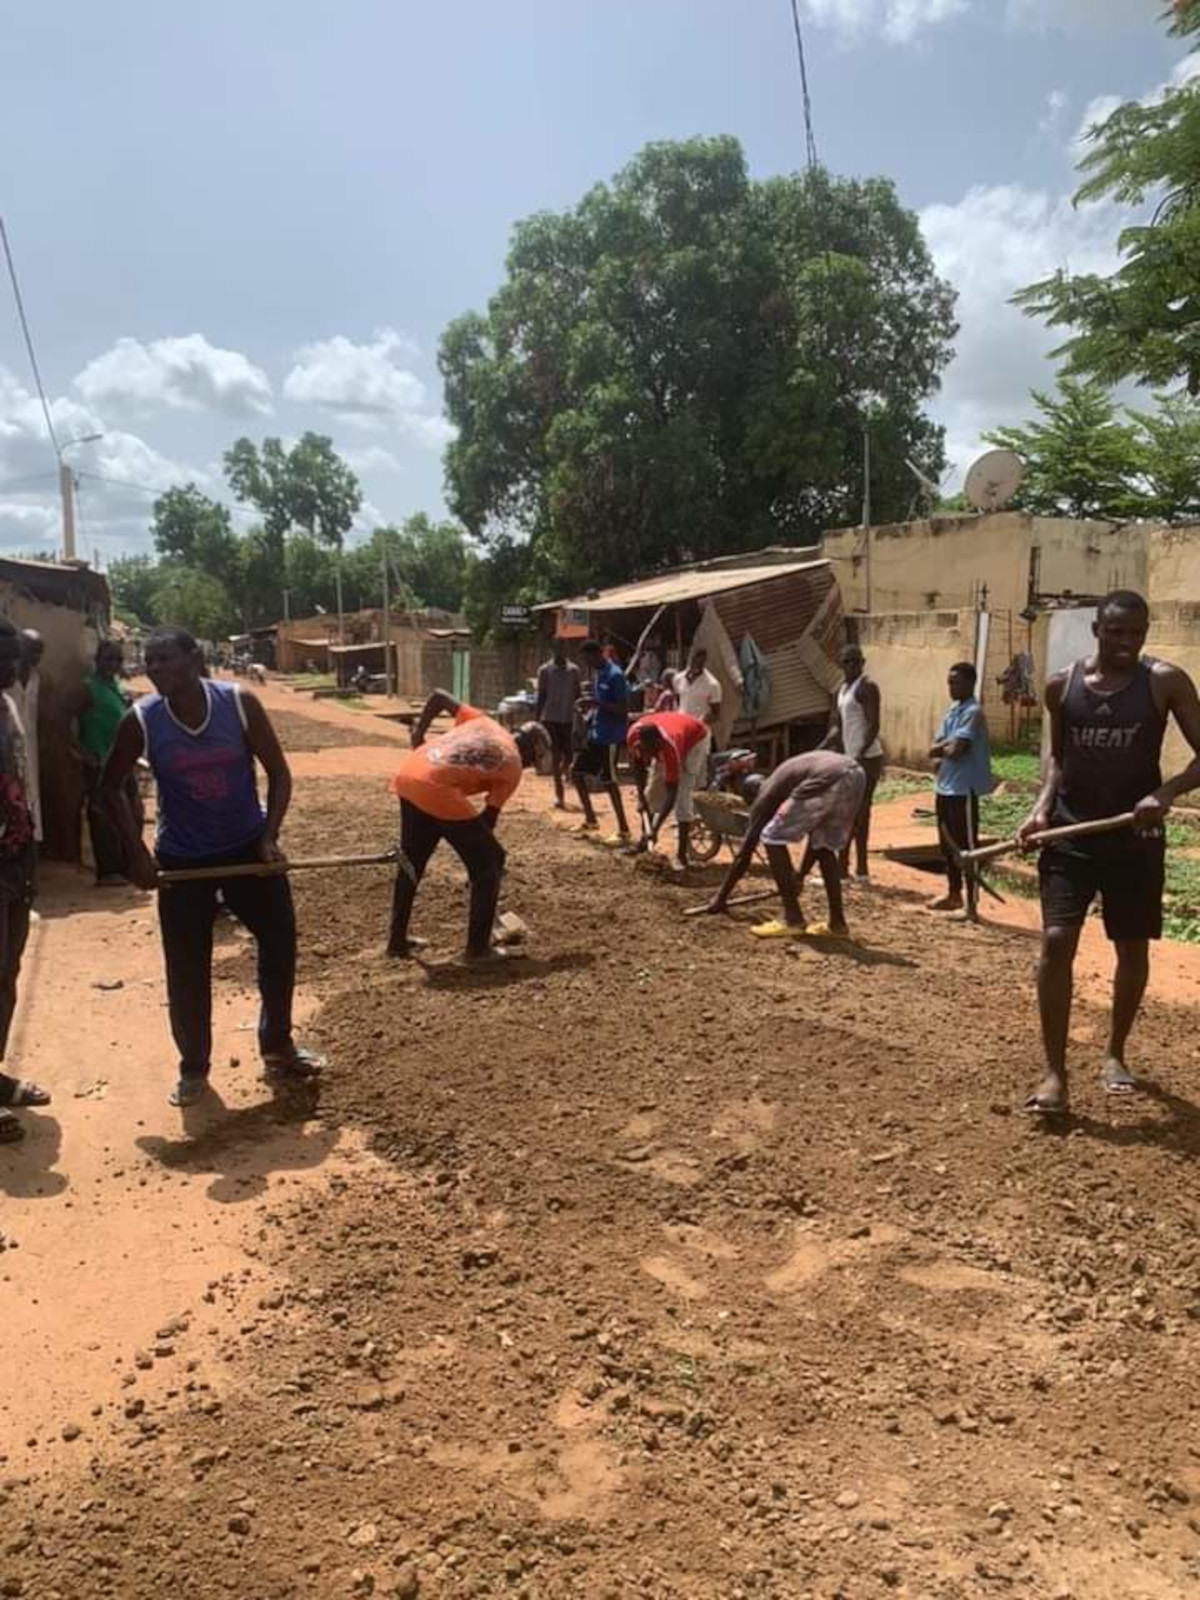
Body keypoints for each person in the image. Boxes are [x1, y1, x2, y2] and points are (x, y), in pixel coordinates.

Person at [102, 625, 321, 1108]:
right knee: (187, 967)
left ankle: (278, 1045)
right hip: (183, 860)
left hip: (248, 848)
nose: (154, 668)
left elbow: (279, 775)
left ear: (194, 660)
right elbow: (109, 785)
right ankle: (194, 1068)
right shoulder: (141, 719)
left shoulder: (239, 704)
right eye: (149, 660)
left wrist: (269, 838)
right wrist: (136, 853)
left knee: (280, 944)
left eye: (164, 659)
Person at [1019, 591, 1200, 1116]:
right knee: (1056, 942)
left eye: (1136, 633)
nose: (1127, 642)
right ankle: (1055, 1073)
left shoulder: (1165, 682)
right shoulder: (1062, 686)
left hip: (1134, 839)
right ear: (1097, 629)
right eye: (1116, 632)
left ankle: (1115, 1051)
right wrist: (1040, 809)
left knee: (1132, 947)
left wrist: (1163, 795)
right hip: (1070, 835)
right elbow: (1058, 760)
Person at [387, 690, 548, 962]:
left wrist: (419, 734)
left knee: (411, 863)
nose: (531, 765)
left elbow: (437, 697)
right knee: (492, 860)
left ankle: (396, 941)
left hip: (410, 774)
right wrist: (482, 870)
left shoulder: (486, 723)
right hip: (439, 788)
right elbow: (487, 822)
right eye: (535, 759)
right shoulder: (512, 765)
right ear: (531, 751)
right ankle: (478, 949)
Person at [705, 751, 866, 939]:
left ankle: (793, 919)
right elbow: (816, 847)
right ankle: (837, 925)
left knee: (771, 837)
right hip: (855, 774)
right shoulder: (785, 779)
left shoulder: (765, 795)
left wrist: (721, 897)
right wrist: (800, 875)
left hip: (829, 777)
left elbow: (745, 852)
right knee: (824, 847)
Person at [0, 622, 49, 1144]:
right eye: (3, 658)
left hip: (14, 863)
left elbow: (20, 788)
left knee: (7, 973)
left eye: (14, 658)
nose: (11, 666)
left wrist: (30, 860)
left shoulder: (7, 708)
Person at [928, 663, 994, 915]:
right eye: (949, 683)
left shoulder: (973, 712)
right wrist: (943, 747)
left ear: (970, 683)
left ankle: (972, 903)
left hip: (964, 788)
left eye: (955, 682)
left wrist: (941, 749)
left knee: (967, 846)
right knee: (948, 845)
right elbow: (937, 746)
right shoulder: (953, 711)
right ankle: (953, 893)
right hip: (945, 786)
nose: (951, 688)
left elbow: (957, 750)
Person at [76, 638, 139, 886]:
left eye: (117, 659)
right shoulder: (87, 689)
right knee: (103, 816)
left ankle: (127, 865)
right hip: (99, 764)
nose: (112, 664)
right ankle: (108, 870)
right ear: (97, 660)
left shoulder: (119, 688)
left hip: (122, 763)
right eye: (108, 659)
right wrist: (81, 752)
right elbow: (63, 724)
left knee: (131, 813)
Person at [625, 709, 711, 870]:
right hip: (674, 727)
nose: (651, 754)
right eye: (648, 751)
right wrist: (641, 799)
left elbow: (673, 791)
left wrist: (656, 829)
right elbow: (637, 768)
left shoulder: (670, 747)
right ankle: (644, 843)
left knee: (683, 797)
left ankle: (681, 856)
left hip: (695, 738)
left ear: (659, 743)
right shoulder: (633, 736)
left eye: (655, 750)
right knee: (652, 792)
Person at [826, 643, 883, 880]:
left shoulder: (867, 687)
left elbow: (873, 725)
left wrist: (859, 754)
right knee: (846, 814)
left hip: (867, 759)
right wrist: (821, 749)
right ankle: (843, 866)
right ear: (841, 664)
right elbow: (838, 728)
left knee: (860, 814)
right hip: (850, 759)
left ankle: (861, 868)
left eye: (855, 661)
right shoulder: (842, 690)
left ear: (862, 663)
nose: (851, 666)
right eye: (847, 662)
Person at [571, 640, 631, 844]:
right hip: (596, 734)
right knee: (576, 772)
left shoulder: (616, 676)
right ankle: (590, 819)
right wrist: (588, 703)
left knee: (610, 782)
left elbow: (622, 709)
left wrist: (596, 702)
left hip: (611, 738)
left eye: (589, 660)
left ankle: (624, 830)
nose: (587, 665)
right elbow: (602, 703)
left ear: (597, 655)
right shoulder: (598, 674)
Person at [536, 640, 582, 810]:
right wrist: (537, 718)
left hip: (569, 718)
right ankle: (559, 793)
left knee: (569, 755)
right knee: (555, 756)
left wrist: (581, 715)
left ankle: (561, 773)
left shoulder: (574, 671)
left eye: (563, 648)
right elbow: (541, 695)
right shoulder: (545, 671)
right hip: (551, 718)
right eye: (557, 649)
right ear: (552, 650)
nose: (561, 652)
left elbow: (578, 694)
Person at [12, 630, 43, 847]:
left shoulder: (36, 679)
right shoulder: (6, 679)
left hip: (29, 749)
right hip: (7, 750)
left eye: (38, 652)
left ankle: (29, 843)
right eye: (30, 650)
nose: (34, 657)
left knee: (30, 795)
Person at [672, 648, 722, 729]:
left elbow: (716, 713)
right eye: (695, 661)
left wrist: (702, 720)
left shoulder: (713, 684)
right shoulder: (678, 679)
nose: (697, 665)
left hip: (699, 729)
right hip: (681, 726)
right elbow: (678, 700)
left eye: (701, 662)